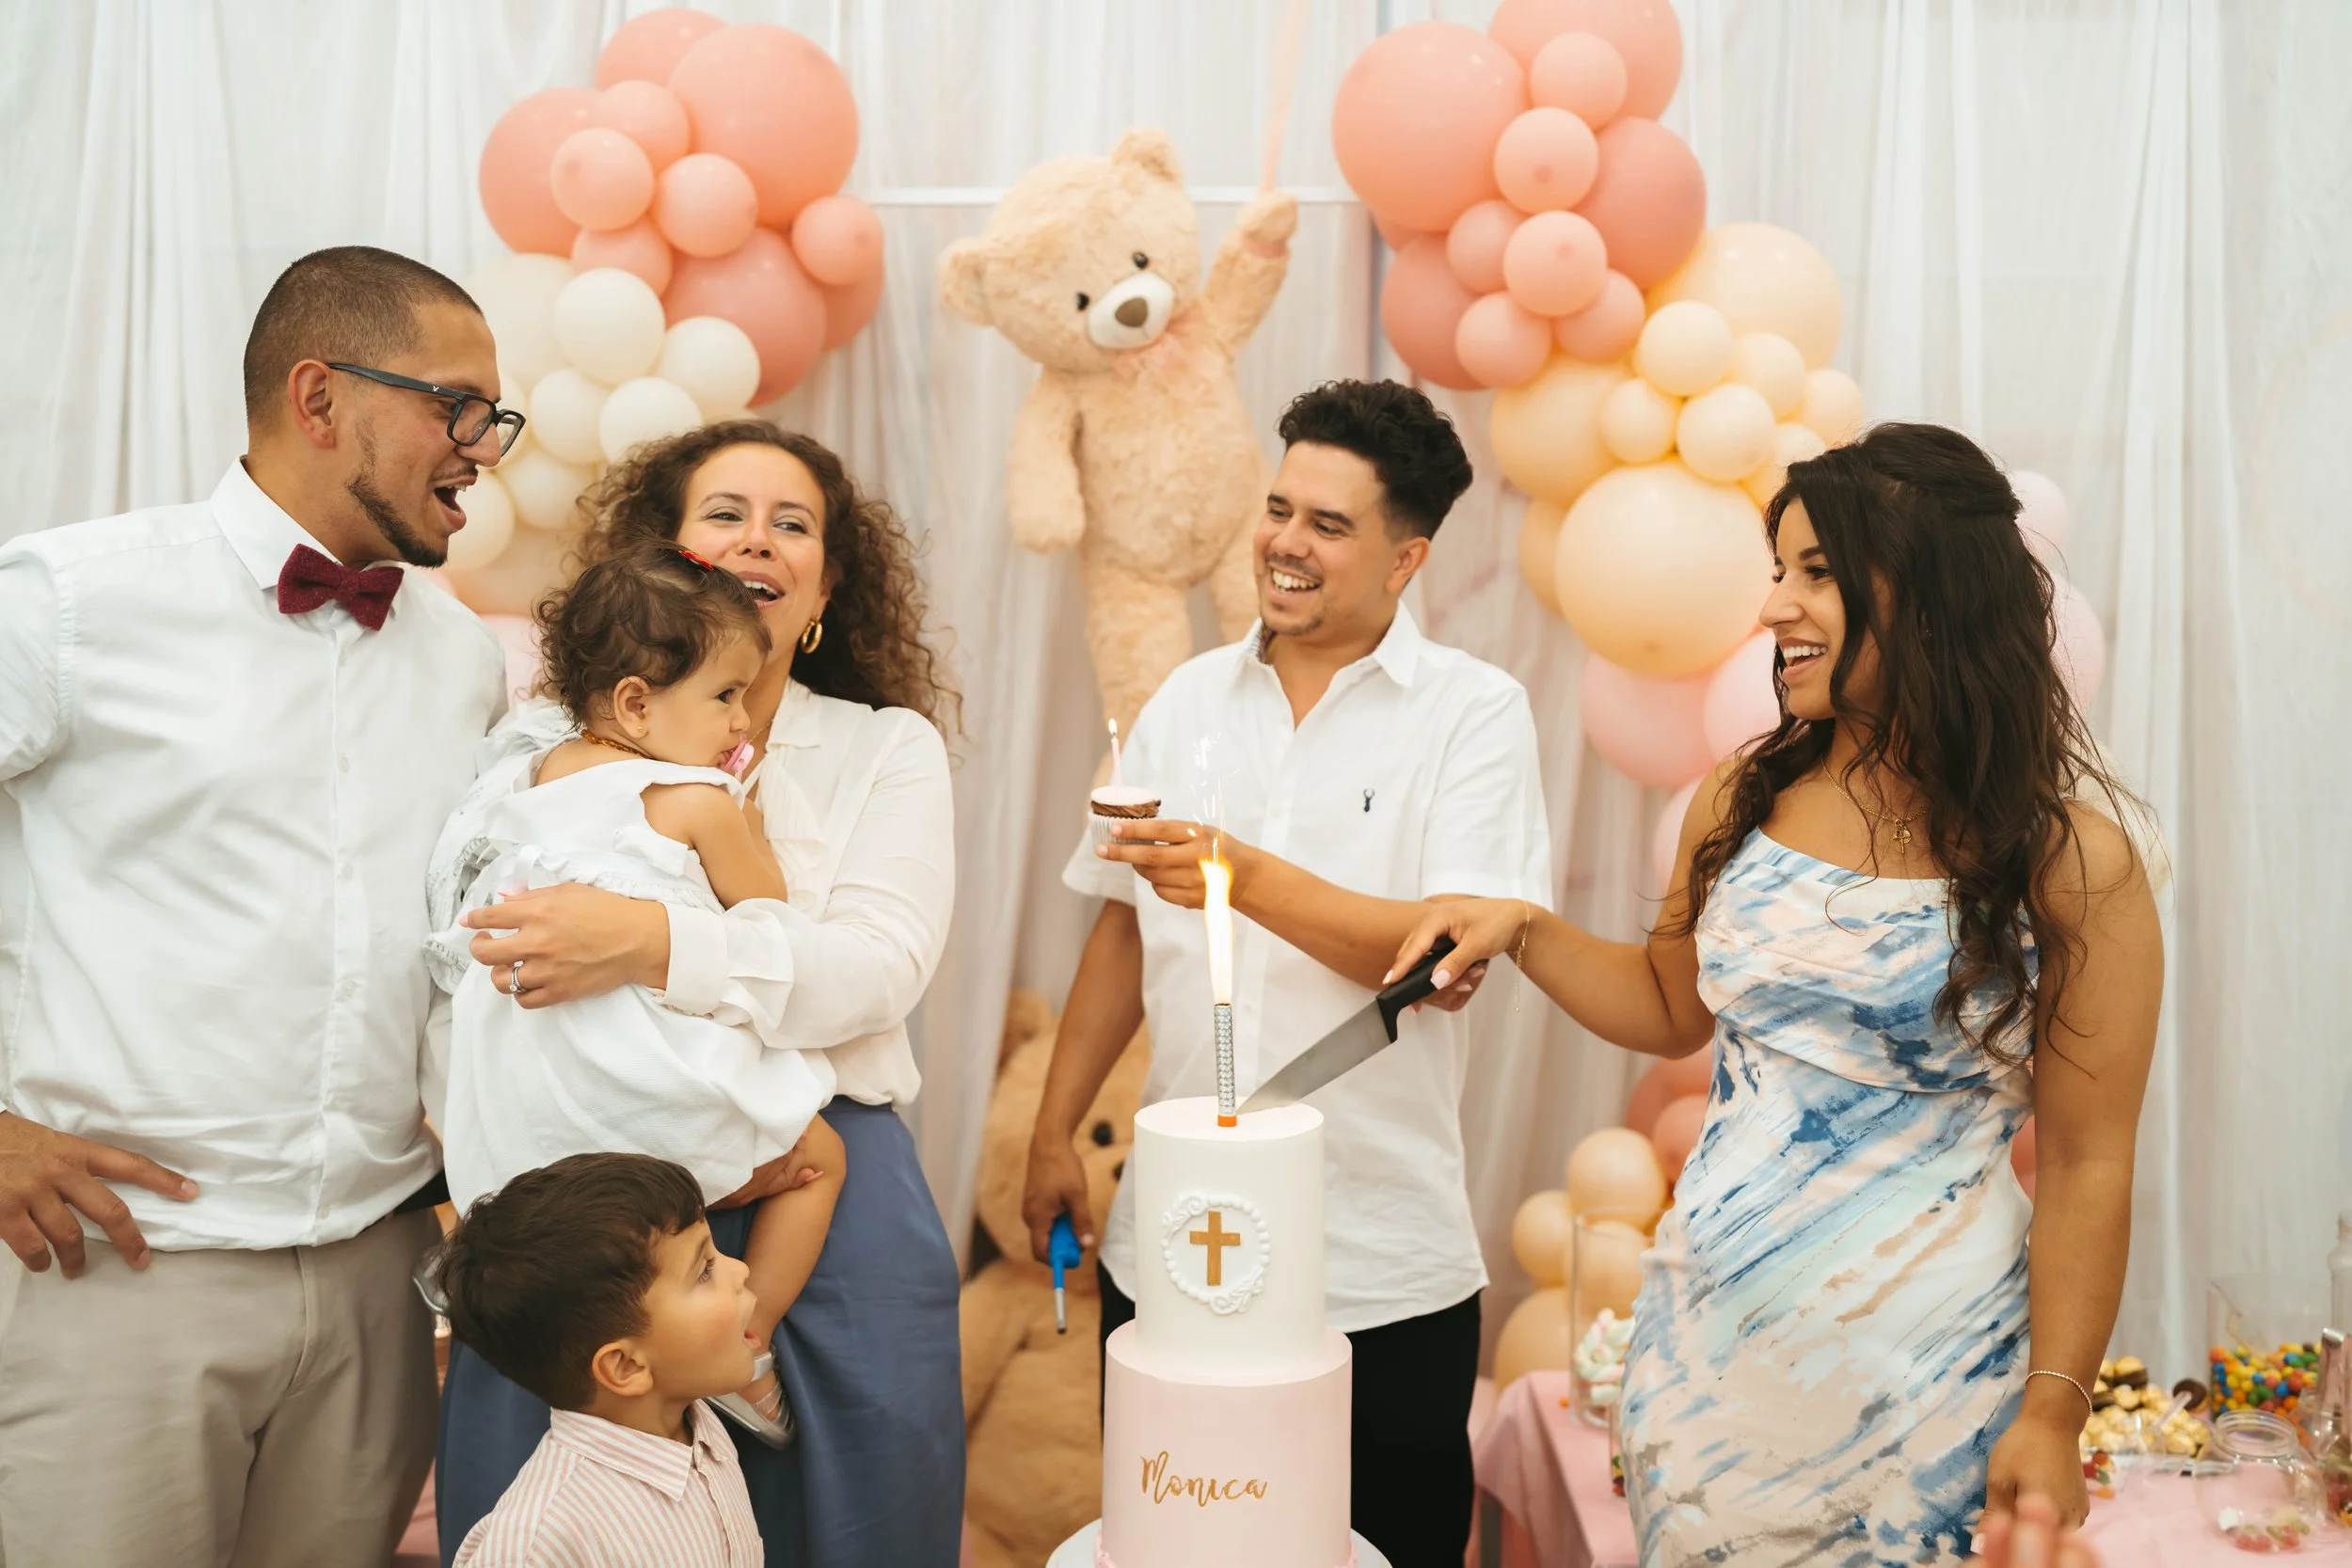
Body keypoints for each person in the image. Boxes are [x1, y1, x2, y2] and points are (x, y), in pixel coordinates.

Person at [1388, 424, 2164, 1561]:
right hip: (1708, 1375)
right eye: (1775, 569)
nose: (1770, 607)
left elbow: (2090, 1158)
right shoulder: (1742, 799)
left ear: (1929, 597)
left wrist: (2051, 1409)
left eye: (1815, 572)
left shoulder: (2072, 861)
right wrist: (1526, 930)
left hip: (1939, 1390)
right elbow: (1668, 1006)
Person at [0, 246, 514, 1565]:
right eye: (457, 407)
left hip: (381, 1279)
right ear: (319, 396)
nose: (482, 449)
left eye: (492, 417)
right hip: (117, 1274)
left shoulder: (463, 657)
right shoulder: (71, 600)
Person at [1023, 379, 1552, 1568]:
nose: (1285, 542)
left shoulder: (1473, 714)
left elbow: (1445, 953)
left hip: (1379, 1262)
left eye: (1329, 523)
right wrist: (1053, 1131)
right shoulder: (1185, 698)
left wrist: (1239, 873)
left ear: (1406, 558)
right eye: (1279, 508)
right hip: (1175, 1242)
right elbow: (1119, 927)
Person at [437, 422, 963, 1568]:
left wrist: (647, 942)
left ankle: (752, 1345)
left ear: (825, 586)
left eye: (793, 523)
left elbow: (878, 968)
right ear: (664, 550)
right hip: (575, 1169)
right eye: (726, 513)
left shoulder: (884, 748)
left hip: (814, 1171)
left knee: (856, 1510)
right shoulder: (539, 743)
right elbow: (464, 937)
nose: (758, 539)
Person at [426, 543, 847, 1445]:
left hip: (533, 1086)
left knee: (624, 1263)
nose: (741, 719)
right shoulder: (696, 796)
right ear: (635, 704)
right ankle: (750, 1350)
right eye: (726, 695)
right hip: (639, 1065)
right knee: (820, 1156)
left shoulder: (534, 777)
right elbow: (769, 912)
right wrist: (749, 814)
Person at [433, 1152, 781, 1567]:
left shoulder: (700, 1429)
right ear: (625, 1367)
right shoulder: (540, 1542)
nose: (740, 1270)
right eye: (704, 1270)